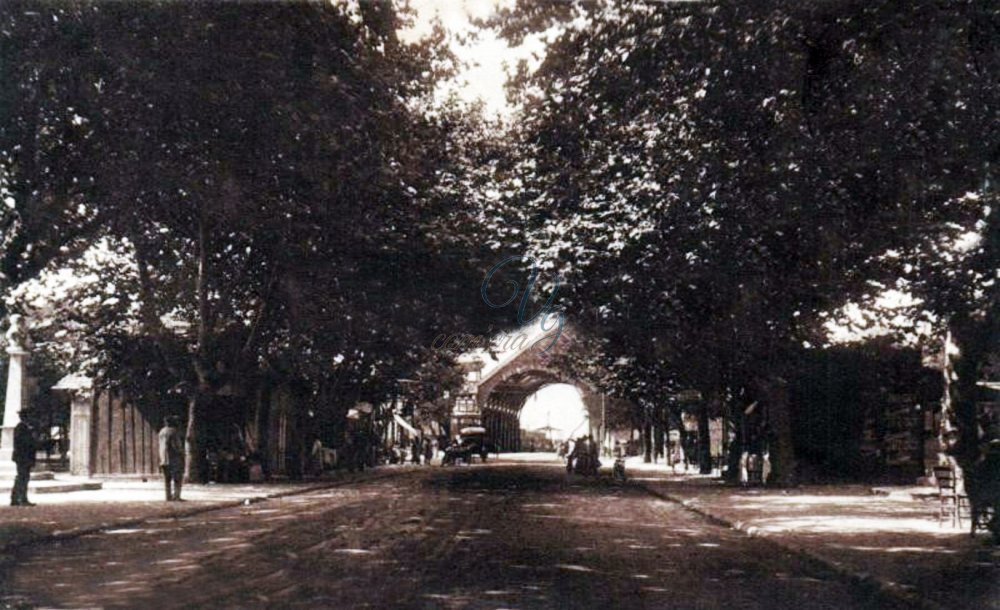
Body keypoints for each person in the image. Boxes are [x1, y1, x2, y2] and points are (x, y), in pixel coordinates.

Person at [11, 408, 37, 507]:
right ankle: (22, 498)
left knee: (21, 478)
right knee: (23, 478)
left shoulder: (23, 427)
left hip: (23, 457)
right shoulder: (21, 428)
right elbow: (24, 443)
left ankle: (16, 498)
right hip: (23, 457)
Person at [158, 416, 184, 501]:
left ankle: (168, 496)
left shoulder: (161, 432)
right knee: (177, 478)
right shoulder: (174, 432)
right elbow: (176, 446)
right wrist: (182, 452)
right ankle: (177, 496)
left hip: (163, 458)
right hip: (174, 458)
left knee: (167, 480)